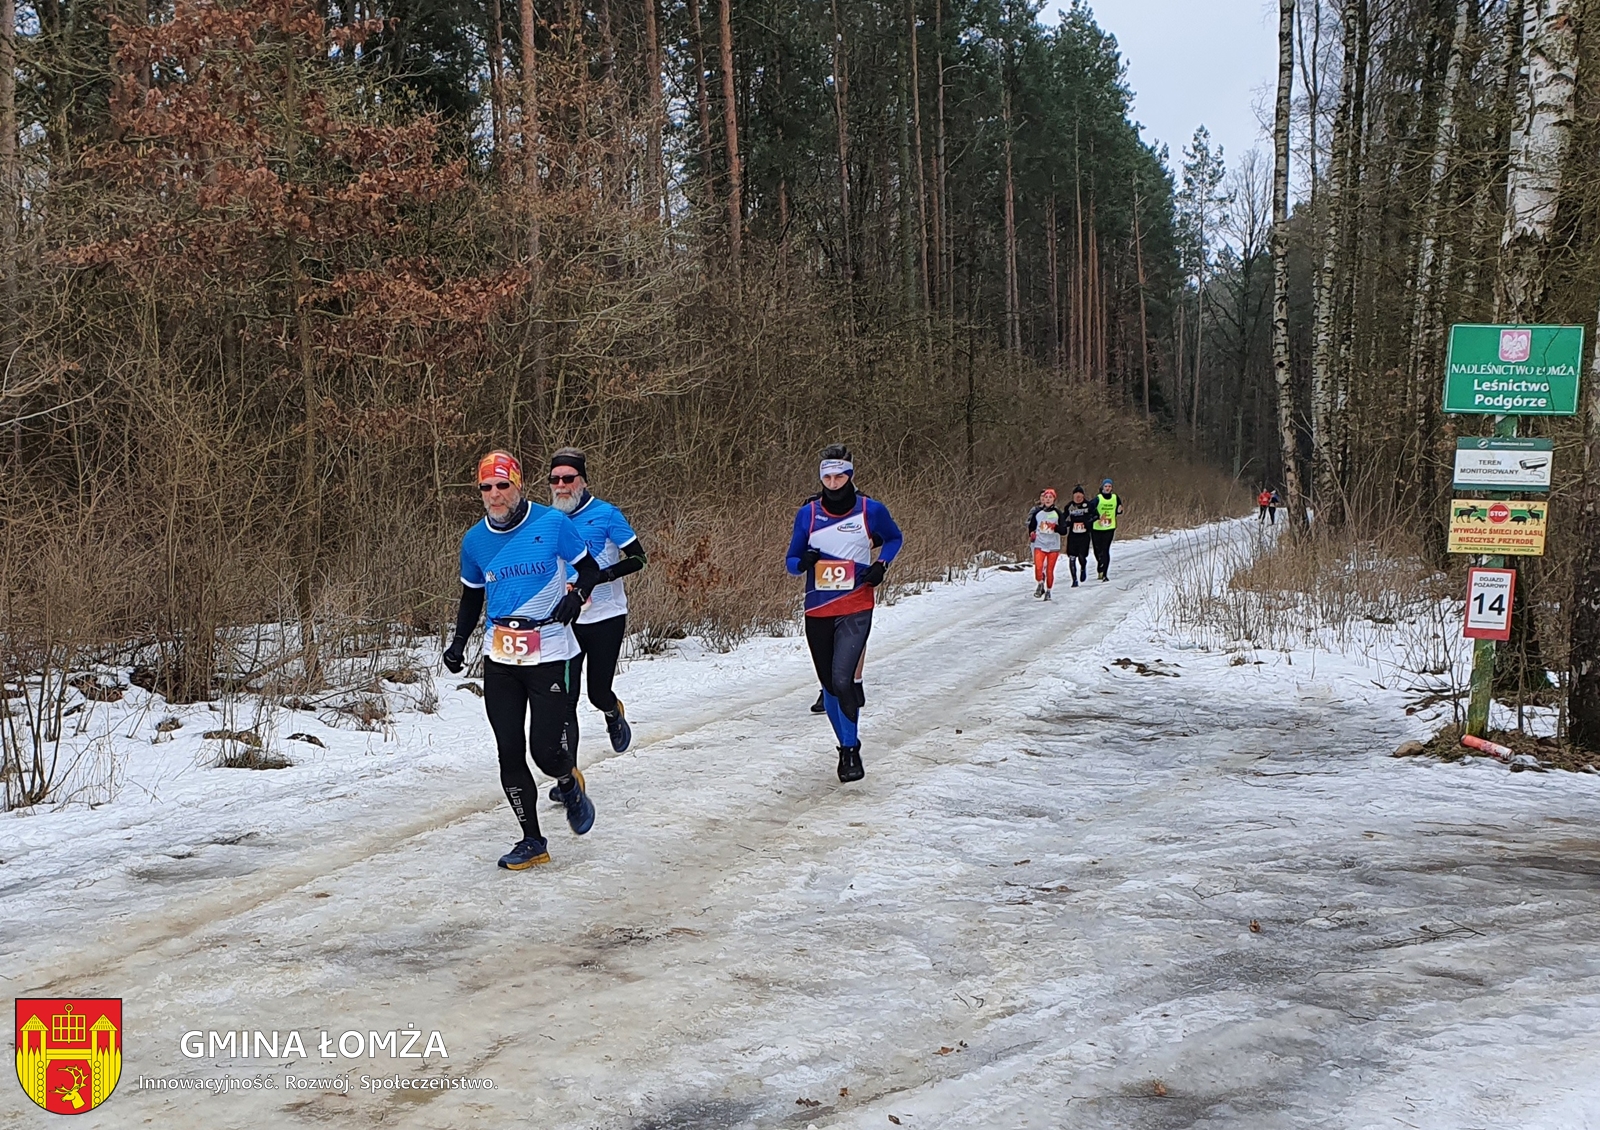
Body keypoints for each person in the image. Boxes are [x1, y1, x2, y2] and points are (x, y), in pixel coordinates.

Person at [442, 450, 605, 870]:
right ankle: (532, 840)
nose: (495, 495)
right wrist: (459, 642)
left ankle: (567, 782)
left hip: (550, 649)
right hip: (500, 654)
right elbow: (471, 595)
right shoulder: (474, 540)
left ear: (518, 485)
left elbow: (589, 570)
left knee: (545, 753)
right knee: (509, 752)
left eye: (502, 485)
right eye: (486, 488)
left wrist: (575, 596)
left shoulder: (553, 524)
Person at [786, 444, 903, 783]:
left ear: (850, 475)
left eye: (840, 476)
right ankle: (846, 743)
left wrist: (881, 565)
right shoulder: (807, 513)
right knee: (828, 685)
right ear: (821, 477)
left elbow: (894, 538)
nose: (834, 482)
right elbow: (791, 562)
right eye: (828, 476)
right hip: (818, 607)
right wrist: (802, 563)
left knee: (842, 679)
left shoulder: (871, 509)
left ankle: (849, 750)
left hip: (856, 604)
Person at [544, 449, 647, 788]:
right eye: (555, 479)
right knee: (564, 702)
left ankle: (612, 710)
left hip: (606, 616)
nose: (561, 485)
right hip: (567, 621)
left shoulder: (605, 514)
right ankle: (567, 779)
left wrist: (600, 577)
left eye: (568, 479)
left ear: (582, 481)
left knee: (596, 693)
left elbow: (637, 558)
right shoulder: (547, 521)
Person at [1027, 488, 1066, 600]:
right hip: (1040, 544)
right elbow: (1031, 527)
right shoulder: (1037, 513)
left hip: (1053, 545)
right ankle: (1040, 583)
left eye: (1050, 497)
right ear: (1043, 499)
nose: (1048, 499)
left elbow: (1064, 531)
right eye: (1046, 497)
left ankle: (1048, 590)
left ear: (1054, 499)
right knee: (1038, 568)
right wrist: (1032, 533)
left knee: (1049, 570)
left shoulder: (1058, 513)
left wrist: (1055, 527)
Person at [1091, 478, 1124, 582]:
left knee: (1105, 549)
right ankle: (1100, 564)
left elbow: (1119, 510)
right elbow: (1090, 509)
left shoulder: (1115, 497)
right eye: (1106, 486)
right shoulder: (1098, 498)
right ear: (1103, 487)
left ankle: (1104, 573)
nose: (1107, 488)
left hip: (1110, 527)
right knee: (1097, 550)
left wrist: (1119, 511)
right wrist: (1096, 516)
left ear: (1112, 488)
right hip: (1097, 527)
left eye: (1109, 486)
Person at [1062, 486, 1094, 587]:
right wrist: (1066, 524)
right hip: (1073, 535)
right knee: (1071, 557)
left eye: (1080, 496)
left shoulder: (1088, 505)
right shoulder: (1069, 506)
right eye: (1076, 496)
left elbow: (1095, 516)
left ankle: (1083, 568)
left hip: (1084, 535)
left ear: (1083, 496)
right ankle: (1074, 580)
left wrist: (1087, 522)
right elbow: (1063, 518)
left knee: (1081, 556)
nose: (1078, 498)